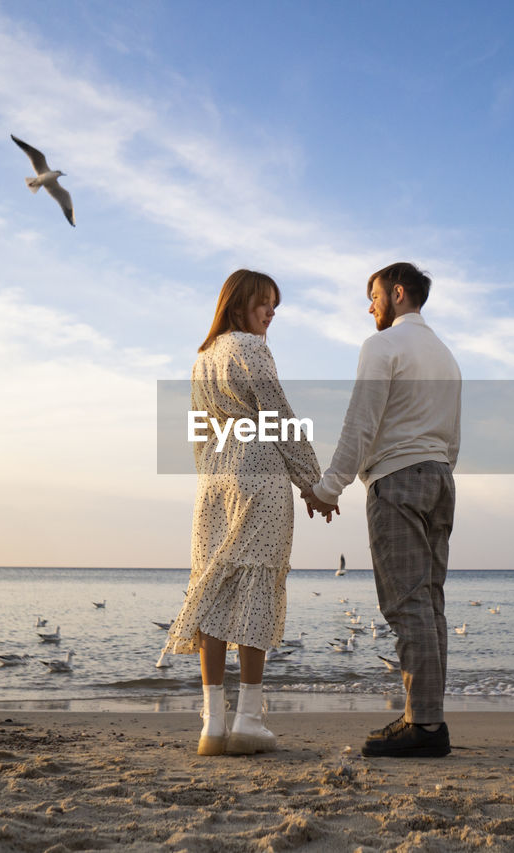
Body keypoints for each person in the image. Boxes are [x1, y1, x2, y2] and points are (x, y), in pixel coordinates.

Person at [303, 262, 461, 758]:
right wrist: (438, 469)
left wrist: (329, 488)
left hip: (398, 479)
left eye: (372, 295)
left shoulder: (383, 345)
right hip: (440, 478)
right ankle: (426, 717)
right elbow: (453, 435)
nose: (368, 306)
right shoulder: (446, 355)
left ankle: (426, 726)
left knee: (406, 602)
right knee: (430, 602)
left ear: (396, 293)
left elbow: (361, 421)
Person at [164, 269, 324, 756]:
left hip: (214, 478)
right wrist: (313, 483)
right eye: (263, 303)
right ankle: (249, 722)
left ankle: (212, 725)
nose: (270, 312)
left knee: (213, 587)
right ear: (237, 306)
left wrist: (210, 476)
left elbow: (199, 431)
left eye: (275, 305)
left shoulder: (202, 360)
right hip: (258, 473)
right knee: (256, 587)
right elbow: (277, 415)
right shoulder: (251, 349)